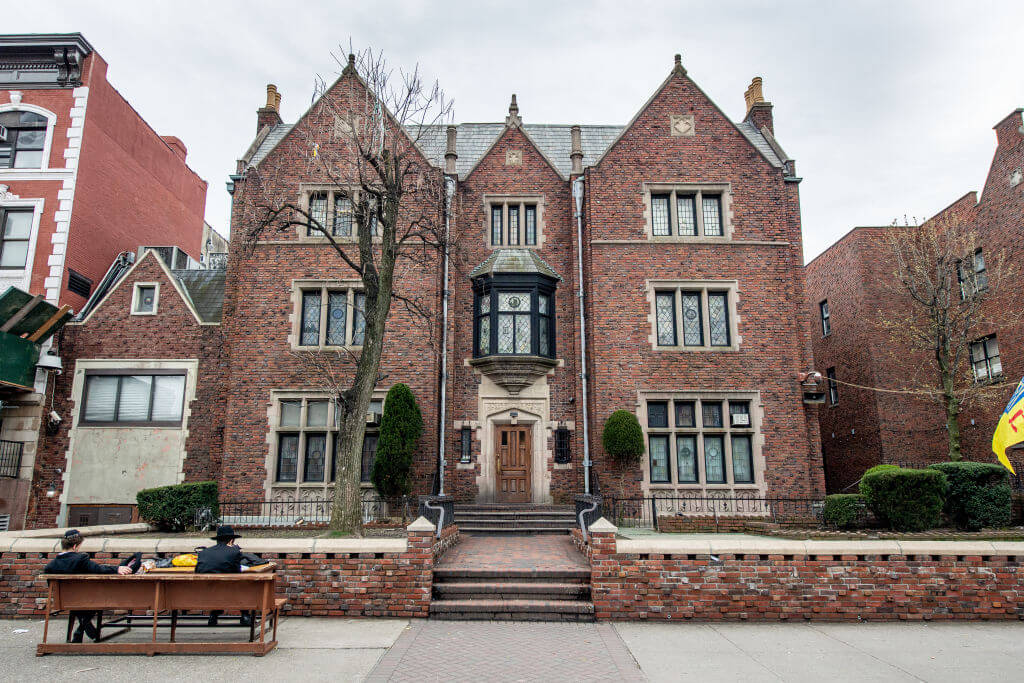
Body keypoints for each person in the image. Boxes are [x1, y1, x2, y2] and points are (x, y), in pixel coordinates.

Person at [44, 529, 138, 643]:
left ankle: (83, 626)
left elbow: (51, 586)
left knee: (82, 601)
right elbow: (98, 569)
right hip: (84, 600)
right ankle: (84, 625)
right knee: (100, 598)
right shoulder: (80, 559)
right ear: (75, 546)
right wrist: (117, 568)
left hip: (63, 600)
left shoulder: (50, 566)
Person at [196, 525, 249, 626]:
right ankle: (245, 615)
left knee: (217, 587)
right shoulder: (234, 552)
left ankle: (214, 614)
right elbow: (237, 573)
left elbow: (197, 571)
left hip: (205, 592)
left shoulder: (203, 553)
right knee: (244, 585)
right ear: (231, 540)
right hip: (229, 592)